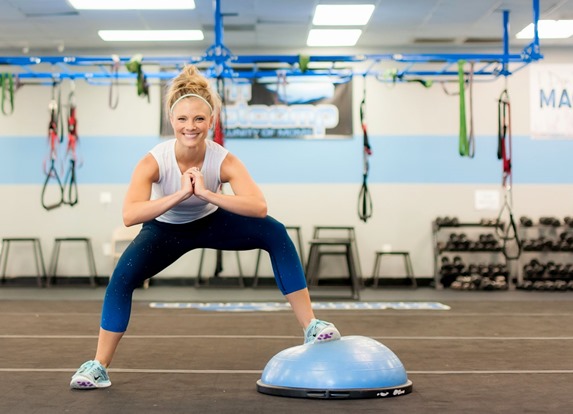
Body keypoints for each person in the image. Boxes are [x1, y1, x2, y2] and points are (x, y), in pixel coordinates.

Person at [70, 65, 341, 390]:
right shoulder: (154, 162)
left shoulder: (222, 159)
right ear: (172, 121)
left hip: (213, 222)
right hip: (165, 232)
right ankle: (98, 366)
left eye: (199, 119)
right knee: (121, 280)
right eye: (183, 119)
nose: (190, 126)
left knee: (274, 232)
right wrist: (180, 195)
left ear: (211, 122)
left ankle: (311, 325)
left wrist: (208, 194)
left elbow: (258, 206)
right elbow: (130, 215)